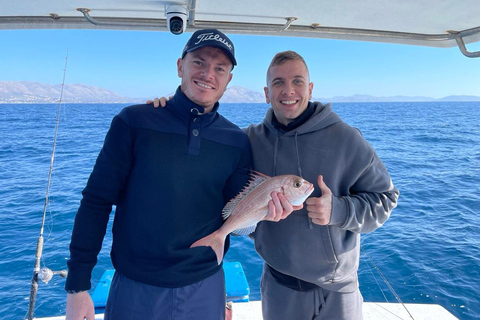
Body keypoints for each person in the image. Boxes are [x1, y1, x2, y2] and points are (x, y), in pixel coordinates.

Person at [152, 50, 399, 320]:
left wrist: (338, 211)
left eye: (297, 81)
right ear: (267, 93)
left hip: (339, 291)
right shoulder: (248, 140)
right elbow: (203, 148)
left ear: (310, 88)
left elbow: (385, 198)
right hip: (278, 287)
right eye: (278, 83)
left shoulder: (346, 139)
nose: (288, 90)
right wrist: (171, 111)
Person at [64, 29, 290, 320]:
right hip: (134, 288)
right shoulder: (134, 121)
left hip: (206, 286)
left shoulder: (236, 141)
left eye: (220, 68)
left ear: (228, 80)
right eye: (199, 62)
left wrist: (265, 213)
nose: (208, 73)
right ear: (180, 66)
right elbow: (95, 202)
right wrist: (77, 288)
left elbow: (234, 213)